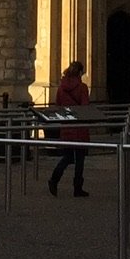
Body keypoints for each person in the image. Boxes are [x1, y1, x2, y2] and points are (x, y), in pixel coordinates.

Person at [47, 60, 91, 197]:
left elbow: (58, 105)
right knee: (79, 159)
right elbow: (84, 107)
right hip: (79, 126)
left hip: (66, 125)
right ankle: (77, 187)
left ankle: (54, 179)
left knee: (67, 157)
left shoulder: (61, 88)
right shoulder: (82, 88)